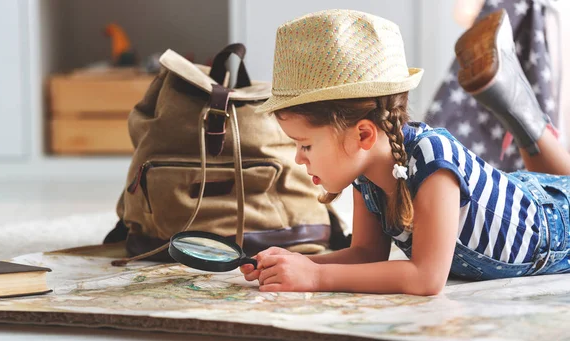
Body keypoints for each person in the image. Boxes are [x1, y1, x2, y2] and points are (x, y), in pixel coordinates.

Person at [239, 8, 570, 295]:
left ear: (363, 135)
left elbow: (426, 277)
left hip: (555, 224)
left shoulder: (432, 160)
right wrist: (295, 263)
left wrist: (315, 276)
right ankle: (525, 118)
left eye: (305, 144)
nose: (299, 157)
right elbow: (366, 255)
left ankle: (526, 118)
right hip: (520, 197)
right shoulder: (366, 175)